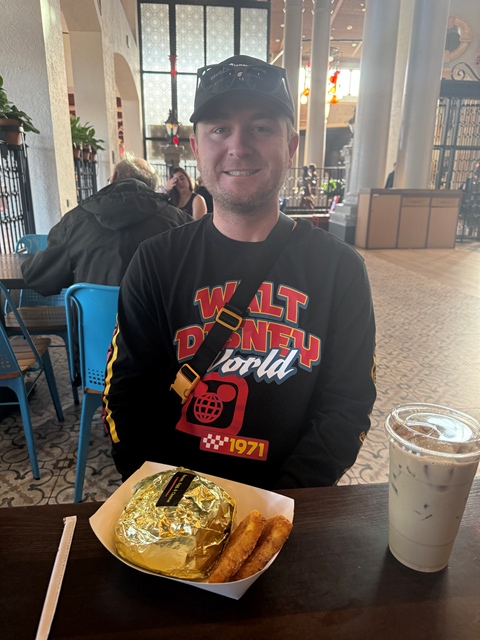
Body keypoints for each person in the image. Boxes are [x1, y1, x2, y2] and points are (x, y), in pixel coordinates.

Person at [103, 55, 376, 490]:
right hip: (175, 495)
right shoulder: (155, 262)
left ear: (290, 147)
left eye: (261, 127)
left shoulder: (340, 270)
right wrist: (164, 494)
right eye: (219, 129)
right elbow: (126, 396)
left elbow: (347, 405)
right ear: (196, 148)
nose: (239, 146)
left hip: (288, 502)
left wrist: (278, 507)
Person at [21, 154, 192, 296]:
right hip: (161, 326)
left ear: (114, 178)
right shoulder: (179, 222)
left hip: (92, 326)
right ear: (152, 187)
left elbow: (37, 277)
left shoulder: (75, 222)